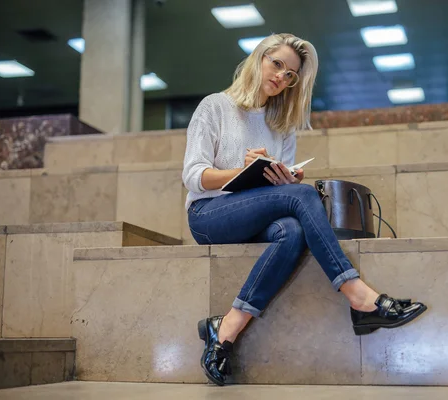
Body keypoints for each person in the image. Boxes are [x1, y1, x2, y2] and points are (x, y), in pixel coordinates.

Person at [183, 33, 427, 386]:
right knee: (301, 196)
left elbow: (277, 193)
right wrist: (245, 170)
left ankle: (226, 328)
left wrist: (280, 176)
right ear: (259, 59)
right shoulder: (214, 106)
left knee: (293, 229)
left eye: (290, 75)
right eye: (277, 64)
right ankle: (357, 295)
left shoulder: (280, 126)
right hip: (208, 216)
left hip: (254, 214)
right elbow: (193, 177)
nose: (281, 76)